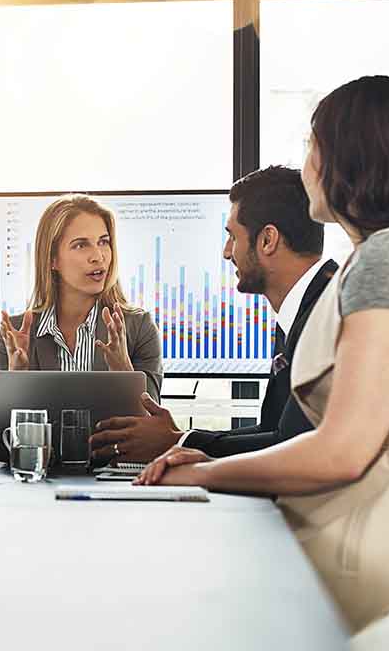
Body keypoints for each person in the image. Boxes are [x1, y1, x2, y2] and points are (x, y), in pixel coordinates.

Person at [139, 75, 389, 631]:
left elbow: (340, 451)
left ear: (344, 157)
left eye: (309, 146)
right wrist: (213, 460)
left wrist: (203, 475)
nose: (304, 166)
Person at [89, 166, 337, 464]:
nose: (227, 251)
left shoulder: (324, 316)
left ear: (268, 240)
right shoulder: (305, 309)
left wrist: (175, 442)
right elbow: (274, 431)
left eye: (233, 236)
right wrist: (180, 439)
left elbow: (291, 447)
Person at [0, 194, 163, 400]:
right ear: (52, 259)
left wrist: (124, 372)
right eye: (81, 245)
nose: (98, 256)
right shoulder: (15, 336)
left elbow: (152, 427)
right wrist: (18, 376)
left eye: (103, 242)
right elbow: (9, 430)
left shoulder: (139, 328)